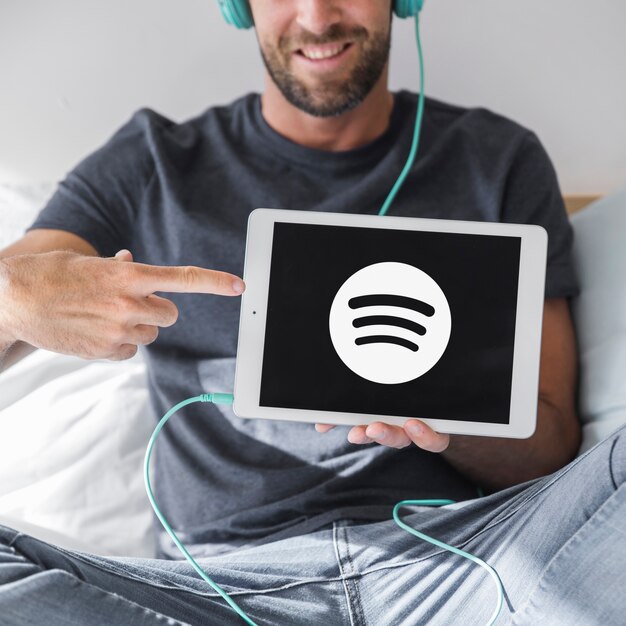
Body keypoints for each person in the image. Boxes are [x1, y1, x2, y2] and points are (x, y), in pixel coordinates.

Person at [0, 0, 624, 624]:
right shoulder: (151, 164)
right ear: (239, 7)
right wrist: (14, 301)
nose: (317, 16)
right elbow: (28, 278)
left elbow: (549, 445)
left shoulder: (496, 158)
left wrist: (449, 416)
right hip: (218, 589)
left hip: (465, 562)